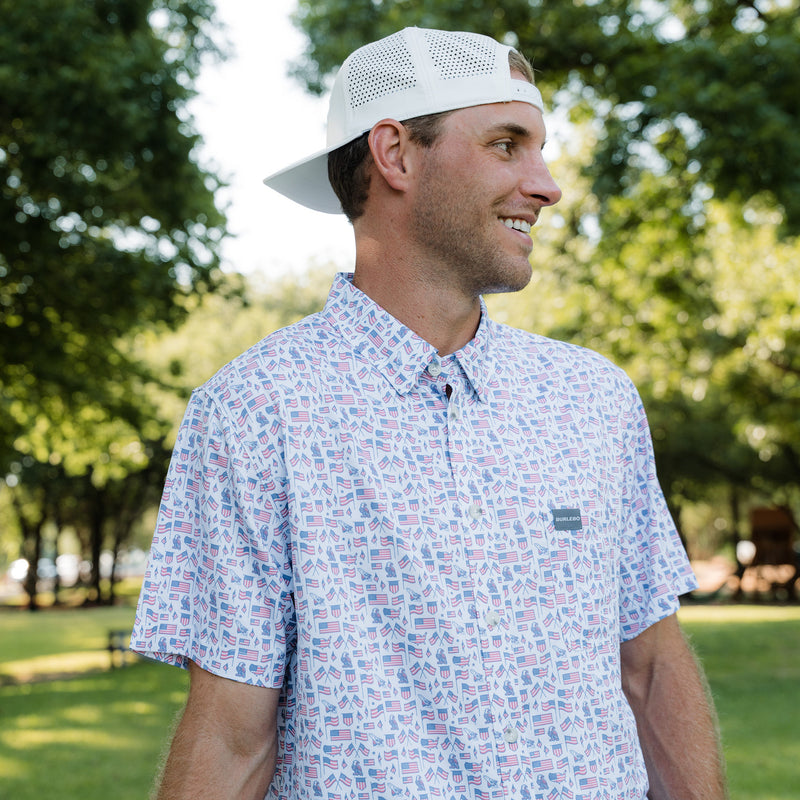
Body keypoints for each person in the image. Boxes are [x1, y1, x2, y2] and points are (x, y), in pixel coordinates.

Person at [132, 26, 728, 800]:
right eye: (508, 145)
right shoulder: (256, 412)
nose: (548, 186)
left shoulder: (594, 399)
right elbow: (230, 735)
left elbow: (650, 669)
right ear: (396, 154)